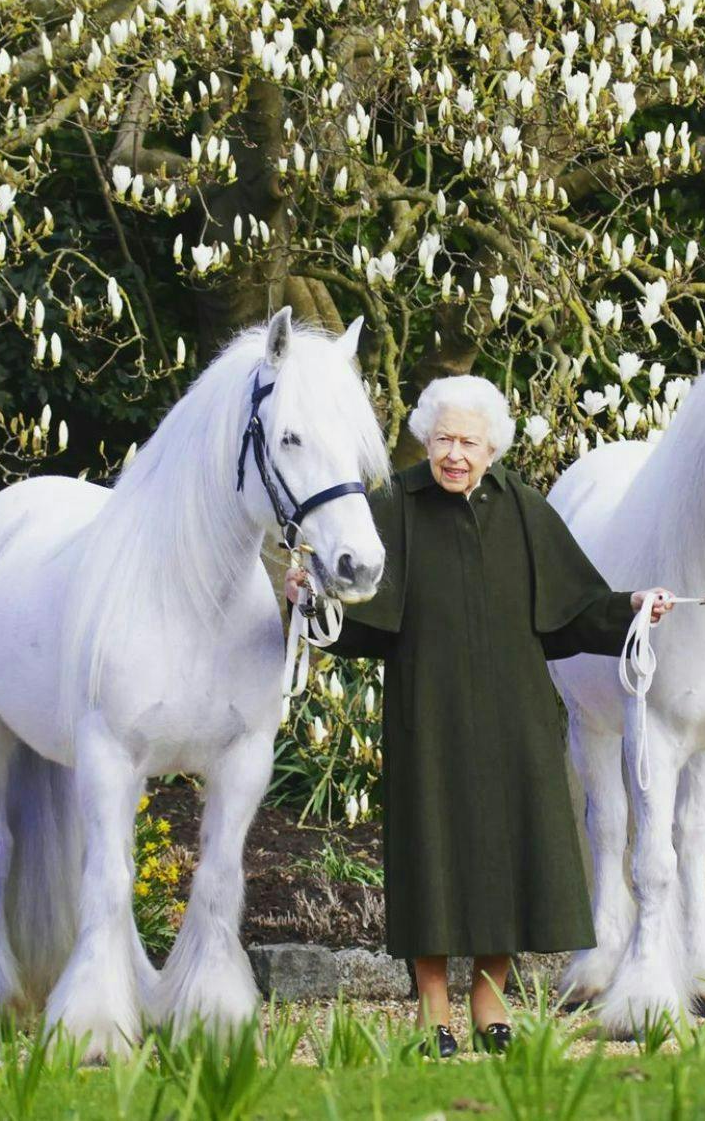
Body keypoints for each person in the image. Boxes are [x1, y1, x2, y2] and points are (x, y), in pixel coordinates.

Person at [286, 375, 672, 1056]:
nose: (454, 453)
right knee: (431, 853)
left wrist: (635, 605)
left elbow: (575, 608)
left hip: (513, 715)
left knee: (508, 853)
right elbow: (356, 617)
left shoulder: (523, 507)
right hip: (426, 715)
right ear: (425, 441)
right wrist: (309, 599)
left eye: (467, 440)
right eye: (442, 439)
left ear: (492, 446)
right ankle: (433, 999)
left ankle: (489, 990)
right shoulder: (396, 506)